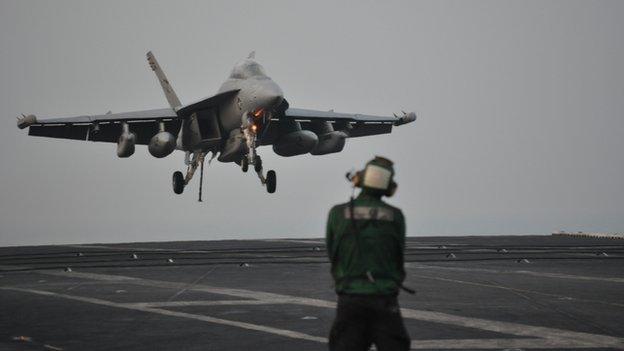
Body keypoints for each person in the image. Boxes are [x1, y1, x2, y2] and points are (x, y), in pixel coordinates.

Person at [325, 156, 411, 351]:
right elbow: (398, 258)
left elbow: (332, 253)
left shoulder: (337, 214)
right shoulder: (395, 216)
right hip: (385, 299)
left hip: (350, 299)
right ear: (390, 187)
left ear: (359, 179)